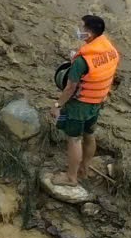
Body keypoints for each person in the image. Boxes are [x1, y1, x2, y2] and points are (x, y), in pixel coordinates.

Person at [43, 15, 119, 203]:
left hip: (80, 105)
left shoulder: (81, 62)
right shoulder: (110, 50)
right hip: (97, 103)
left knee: (74, 139)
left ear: (90, 32)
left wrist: (57, 105)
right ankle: (84, 167)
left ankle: (71, 177)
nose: (79, 29)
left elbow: (70, 87)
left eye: (82, 27)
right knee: (89, 135)